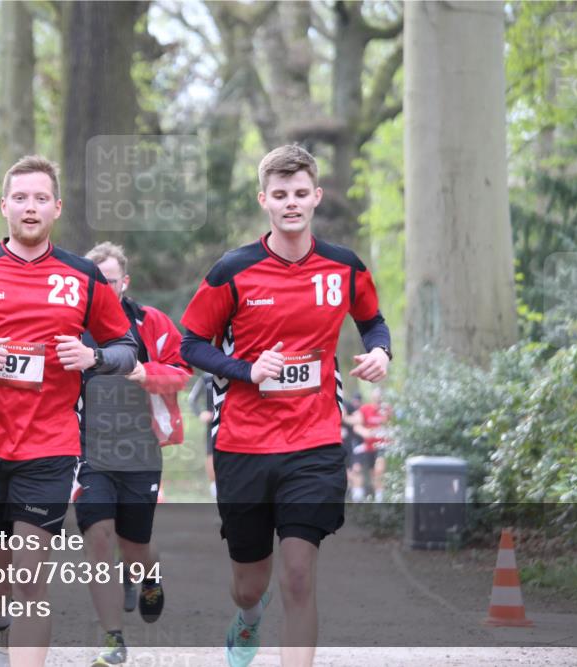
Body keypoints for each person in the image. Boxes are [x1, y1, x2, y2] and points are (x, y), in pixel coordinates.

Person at [0, 156, 138, 667]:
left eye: (40, 198)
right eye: (20, 198)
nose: (30, 207)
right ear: (4, 207)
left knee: (32, 572)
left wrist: (94, 357)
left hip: (50, 445)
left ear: (56, 207)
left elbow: (126, 350)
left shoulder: (82, 275)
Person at [179, 145, 391, 667]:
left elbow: (372, 321)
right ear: (264, 201)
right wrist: (246, 370)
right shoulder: (233, 270)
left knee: (299, 574)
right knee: (250, 585)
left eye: (300, 194)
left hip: (314, 441)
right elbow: (190, 343)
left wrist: (381, 351)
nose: (291, 203)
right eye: (280, 195)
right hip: (244, 445)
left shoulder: (343, 266)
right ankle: (249, 620)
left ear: (316, 197)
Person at [75, 242, 191, 666]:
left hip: (139, 445)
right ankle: (113, 639)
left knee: (134, 544)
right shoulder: (69, 323)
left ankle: (147, 574)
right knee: (98, 537)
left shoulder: (151, 323)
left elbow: (183, 371)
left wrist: (146, 373)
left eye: (109, 282)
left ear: (125, 282)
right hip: (85, 446)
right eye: (94, 283)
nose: (102, 290)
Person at [347, 387, 391, 502]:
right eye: (376, 398)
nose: (378, 401)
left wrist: (388, 432)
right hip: (369, 447)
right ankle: (377, 498)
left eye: (380, 398)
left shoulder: (388, 410)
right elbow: (357, 426)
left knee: (379, 470)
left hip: (383, 445)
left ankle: (380, 501)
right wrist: (365, 432)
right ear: (372, 398)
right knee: (372, 474)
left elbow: (393, 426)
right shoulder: (365, 409)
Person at [187, 373, 216, 498]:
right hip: (212, 423)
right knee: (210, 454)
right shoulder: (206, 378)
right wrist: (200, 414)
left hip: (233, 422)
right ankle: (215, 488)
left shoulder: (234, 371)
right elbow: (192, 399)